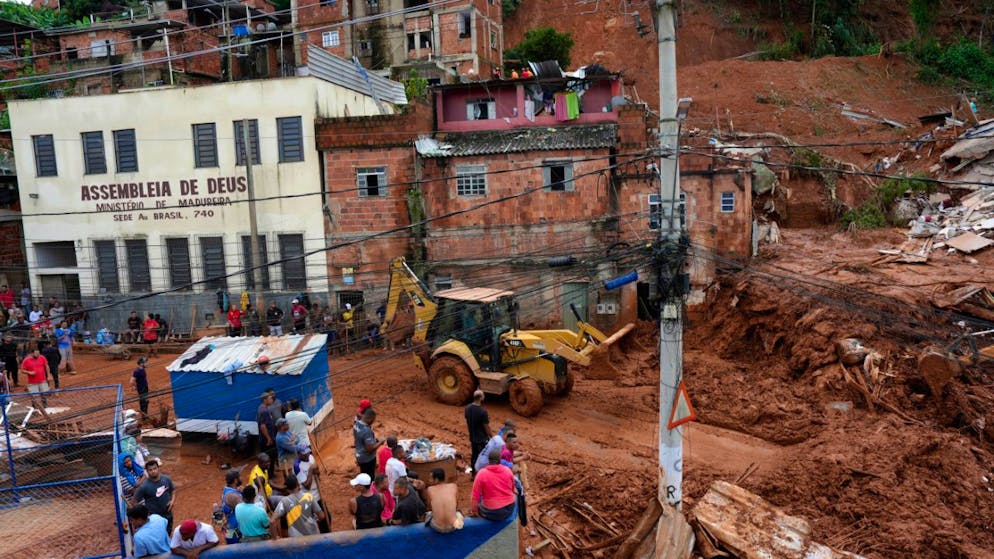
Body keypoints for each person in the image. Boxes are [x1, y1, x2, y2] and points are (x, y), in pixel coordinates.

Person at [471, 449, 516, 521]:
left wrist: (474, 511)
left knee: (480, 503)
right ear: (500, 460)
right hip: (509, 509)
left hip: (492, 512)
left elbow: (475, 496)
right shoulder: (507, 470)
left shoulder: (482, 473)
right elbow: (512, 488)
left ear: (489, 460)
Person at [293, 443, 329, 533]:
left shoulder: (310, 457)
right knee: (319, 520)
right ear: (298, 454)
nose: (307, 455)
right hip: (308, 497)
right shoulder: (297, 466)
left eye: (307, 452)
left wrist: (316, 470)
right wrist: (310, 470)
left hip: (317, 492)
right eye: (304, 453)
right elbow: (306, 485)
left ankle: (326, 534)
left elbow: (317, 471)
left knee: (327, 516)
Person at [134, 458, 175, 533]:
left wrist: (172, 501)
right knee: (158, 535)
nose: (153, 471)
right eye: (150, 470)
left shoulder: (166, 479)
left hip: (168, 514)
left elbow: (172, 491)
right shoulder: (144, 486)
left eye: (155, 468)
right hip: (154, 518)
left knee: (168, 533)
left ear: (158, 468)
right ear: (147, 471)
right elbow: (134, 502)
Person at [425, 468, 463, 533]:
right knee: (458, 512)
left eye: (430, 478)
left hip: (437, 527)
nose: (429, 480)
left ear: (436, 480)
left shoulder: (430, 489)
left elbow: (429, 507)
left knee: (428, 514)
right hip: (453, 526)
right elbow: (456, 505)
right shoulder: (454, 486)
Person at [465, 390, 491, 475]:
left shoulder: (467, 408)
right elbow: (486, 427)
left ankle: (474, 474)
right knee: (483, 457)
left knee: (474, 455)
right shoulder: (483, 412)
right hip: (482, 439)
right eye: (483, 395)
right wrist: (491, 436)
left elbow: (467, 419)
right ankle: (482, 475)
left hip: (473, 437)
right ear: (480, 398)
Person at [353, 407, 383, 478]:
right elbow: (370, 449)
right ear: (369, 419)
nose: (373, 422)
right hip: (367, 458)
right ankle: (368, 487)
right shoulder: (366, 431)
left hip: (359, 454)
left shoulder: (356, 423)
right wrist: (381, 442)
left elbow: (361, 439)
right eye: (373, 420)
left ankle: (364, 483)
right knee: (370, 477)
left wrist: (375, 441)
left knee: (364, 472)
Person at [257, 393, 277, 477]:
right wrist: (268, 438)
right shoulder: (264, 411)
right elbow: (263, 426)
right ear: (265, 400)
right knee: (269, 456)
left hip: (267, 438)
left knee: (270, 456)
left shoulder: (263, 408)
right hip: (267, 440)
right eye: (270, 398)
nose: (272, 399)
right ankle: (269, 475)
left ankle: (270, 474)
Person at [220, 469, 243, 544]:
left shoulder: (226, 490)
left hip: (229, 527)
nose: (241, 479)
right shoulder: (235, 495)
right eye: (239, 477)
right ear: (235, 480)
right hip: (236, 529)